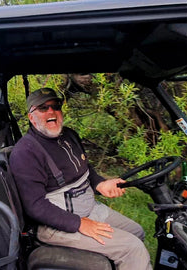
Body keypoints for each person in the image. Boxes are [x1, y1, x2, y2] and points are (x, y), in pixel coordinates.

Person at [9, 88, 152, 270]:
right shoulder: (26, 153)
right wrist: (78, 223)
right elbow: (35, 206)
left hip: (90, 210)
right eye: (43, 108)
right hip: (56, 225)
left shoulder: (69, 135)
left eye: (55, 106)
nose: (51, 112)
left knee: (136, 231)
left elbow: (86, 170)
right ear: (31, 117)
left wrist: (100, 183)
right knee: (133, 249)